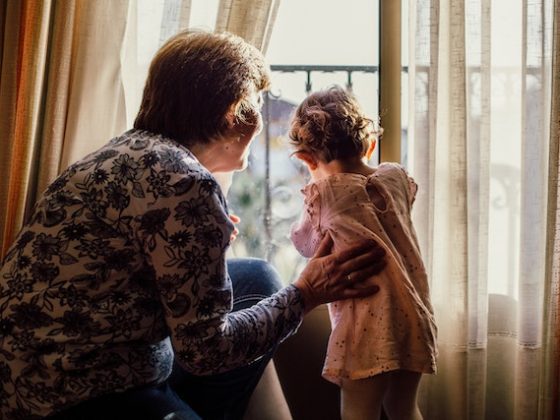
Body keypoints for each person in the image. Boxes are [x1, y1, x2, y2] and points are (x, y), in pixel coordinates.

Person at [0, 32, 387, 420]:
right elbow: (206, 351)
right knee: (274, 295)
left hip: (26, 370)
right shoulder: (187, 182)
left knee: (257, 277)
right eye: (256, 103)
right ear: (232, 112)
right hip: (79, 395)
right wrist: (307, 293)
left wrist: (201, 246)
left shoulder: (122, 151)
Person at [289, 86, 438, 420]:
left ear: (306, 159)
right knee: (403, 408)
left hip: (366, 328)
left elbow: (307, 245)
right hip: (413, 313)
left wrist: (313, 199)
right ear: (370, 144)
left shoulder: (323, 193)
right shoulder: (396, 176)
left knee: (359, 412)